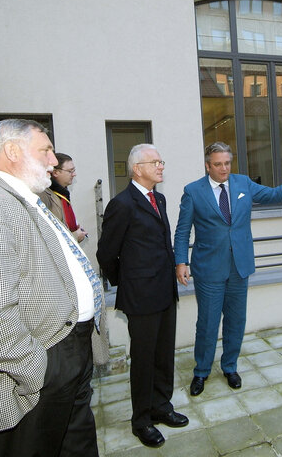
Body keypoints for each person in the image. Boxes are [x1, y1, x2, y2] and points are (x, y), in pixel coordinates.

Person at [0, 119, 103, 457]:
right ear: (12, 151)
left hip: (68, 349)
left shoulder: (26, 199)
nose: (54, 161)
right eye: (45, 150)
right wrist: (36, 368)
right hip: (44, 358)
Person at [174, 142, 282, 396]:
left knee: (236, 321)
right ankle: (201, 372)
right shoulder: (193, 191)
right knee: (208, 324)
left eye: (228, 163)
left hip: (239, 267)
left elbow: (273, 195)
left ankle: (230, 366)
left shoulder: (243, 183)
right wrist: (181, 261)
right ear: (208, 165)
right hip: (208, 269)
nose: (224, 169)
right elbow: (182, 231)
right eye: (219, 164)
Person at [96, 144, 187, 448]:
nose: (161, 166)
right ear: (137, 168)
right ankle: (142, 420)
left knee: (163, 355)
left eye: (162, 161)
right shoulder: (122, 204)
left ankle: (162, 406)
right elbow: (106, 253)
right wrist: (128, 282)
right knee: (144, 359)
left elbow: (163, 243)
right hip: (141, 296)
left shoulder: (158, 198)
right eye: (155, 162)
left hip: (164, 291)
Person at [38, 153, 88, 242]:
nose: (74, 174)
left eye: (74, 170)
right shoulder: (43, 196)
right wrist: (75, 236)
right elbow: (46, 235)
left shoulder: (62, 193)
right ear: (56, 172)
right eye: (70, 171)